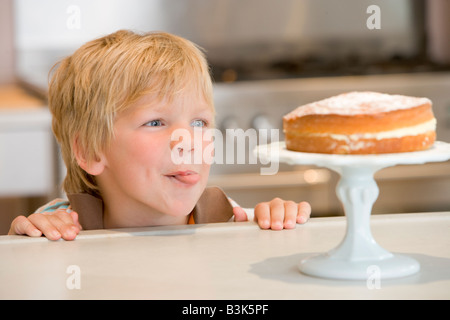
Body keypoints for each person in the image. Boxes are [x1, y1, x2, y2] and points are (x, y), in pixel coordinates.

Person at [8, 30, 311, 241]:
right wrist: (27, 239)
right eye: (155, 123)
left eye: (199, 122)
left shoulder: (227, 218)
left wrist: (276, 222)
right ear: (90, 151)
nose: (187, 142)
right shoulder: (61, 225)